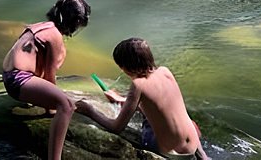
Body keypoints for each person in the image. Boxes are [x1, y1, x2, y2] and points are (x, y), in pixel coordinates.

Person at [75, 37, 209, 159]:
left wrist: (90, 111)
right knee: (178, 112)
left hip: (173, 153)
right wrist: (122, 99)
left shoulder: (138, 85)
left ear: (127, 67)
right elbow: (158, 104)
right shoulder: (165, 71)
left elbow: (116, 127)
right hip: (193, 144)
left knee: (147, 122)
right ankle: (203, 155)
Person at [2, 0, 91, 160]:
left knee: (63, 102)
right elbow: (50, 77)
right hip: (20, 79)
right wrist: (53, 108)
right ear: (76, 21)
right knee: (67, 106)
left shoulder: (40, 26)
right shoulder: (55, 35)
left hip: (9, 76)